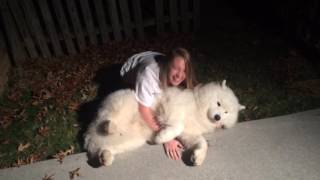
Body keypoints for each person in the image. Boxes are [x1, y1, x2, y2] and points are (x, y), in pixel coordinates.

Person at [120, 48, 197, 160]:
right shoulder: (148, 74)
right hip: (128, 71)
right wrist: (166, 137)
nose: (179, 75)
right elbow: (143, 109)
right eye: (175, 69)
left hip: (154, 57)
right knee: (142, 103)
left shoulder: (179, 74)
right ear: (167, 65)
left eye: (184, 71)